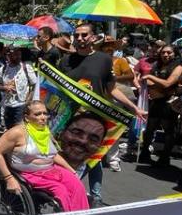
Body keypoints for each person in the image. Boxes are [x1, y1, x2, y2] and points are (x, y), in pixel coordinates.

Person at [58, 23, 143, 205]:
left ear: (93, 37)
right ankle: (70, 194)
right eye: (77, 35)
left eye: (84, 35)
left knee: (93, 156)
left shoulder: (104, 60)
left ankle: (94, 196)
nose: (80, 39)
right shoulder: (65, 61)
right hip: (70, 118)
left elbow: (112, 89)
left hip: (94, 118)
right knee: (70, 155)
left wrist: (133, 107)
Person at [0, 100, 89, 211]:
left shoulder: (44, 131)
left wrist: (72, 170)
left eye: (45, 113)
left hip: (51, 170)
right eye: (37, 114)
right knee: (61, 190)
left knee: (77, 185)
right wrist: (9, 179)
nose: (43, 117)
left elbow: (52, 155)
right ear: (27, 117)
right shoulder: (17, 132)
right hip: (29, 175)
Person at [138, 44, 182, 167]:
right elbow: (146, 81)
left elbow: (168, 84)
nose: (165, 55)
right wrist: (158, 85)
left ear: (175, 54)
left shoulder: (178, 67)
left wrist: (153, 79)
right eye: (163, 52)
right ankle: (144, 152)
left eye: (169, 53)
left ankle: (165, 157)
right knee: (149, 130)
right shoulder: (157, 65)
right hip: (156, 102)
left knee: (169, 130)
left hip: (169, 103)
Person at [0, 46, 37, 130]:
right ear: (9, 55)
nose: (18, 56)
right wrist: (4, 87)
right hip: (7, 105)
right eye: (15, 54)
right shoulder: (3, 69)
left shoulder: (26, 67)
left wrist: (28, 100)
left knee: (19, 129)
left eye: (19, 54)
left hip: (21, 105)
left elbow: (34, 84)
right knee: (9, 130)